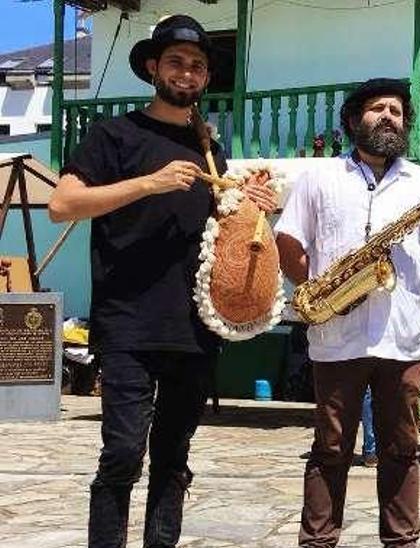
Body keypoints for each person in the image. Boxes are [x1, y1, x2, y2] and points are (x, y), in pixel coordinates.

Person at [49, 15, 278, 547]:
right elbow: (63, 204)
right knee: (124, 452)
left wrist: (252, 205)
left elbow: (220, 232)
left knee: (174, 456)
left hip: (195, 327)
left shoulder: (209, 149)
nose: (187, 72)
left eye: (197, 65)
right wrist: (148, 183)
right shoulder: (114, 135)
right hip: (128, 320)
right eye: (176, 61)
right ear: (154, 67)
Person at [275, 77, 420, 548]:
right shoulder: (318, 177)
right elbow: (289, 242)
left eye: (397, 111)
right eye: (378, 109)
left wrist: (407, 292)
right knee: (330, 447)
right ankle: (318, 540)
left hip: (406, 335)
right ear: (354, 120)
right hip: (339, 334)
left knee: (402, 447)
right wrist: (323, 293)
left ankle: (401, 539)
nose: (388, 117)